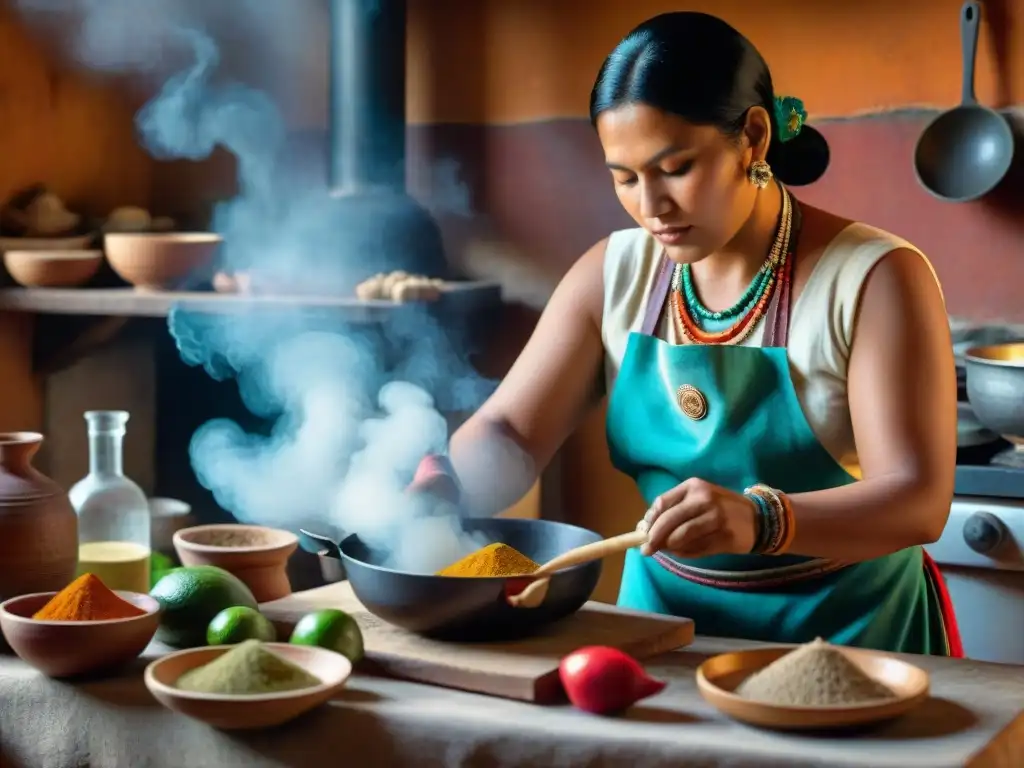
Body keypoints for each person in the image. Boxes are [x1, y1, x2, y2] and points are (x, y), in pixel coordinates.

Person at [410, 11, 961, 656]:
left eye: (675, 168)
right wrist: (448, 482)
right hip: (661, 632)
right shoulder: (611, 274)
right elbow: (511, 432)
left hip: (848, 635)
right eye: (624, 177)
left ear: (753, 137)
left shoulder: (875, 279)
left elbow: (919, 501)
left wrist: (762, 521)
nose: (651, 207)